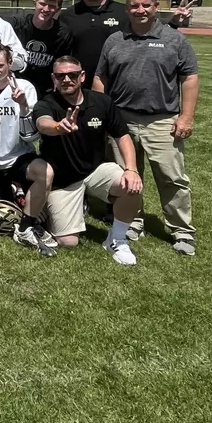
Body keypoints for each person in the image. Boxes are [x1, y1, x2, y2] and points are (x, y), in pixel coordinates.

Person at [93, 0, 199, 255]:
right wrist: (102, 114)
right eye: (134, 5)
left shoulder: (174, 39)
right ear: (127, 8)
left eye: (145, 5)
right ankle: (133, 222)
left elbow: (189, 78)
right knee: (127, 176)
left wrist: (186, 117)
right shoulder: (115, 39)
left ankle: (182, 231)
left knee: (171, 177)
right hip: (122, 119)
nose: (139, 10)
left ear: (155, 7)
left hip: (162, 119)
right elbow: (100, 78)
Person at [33, 56, 145, 266]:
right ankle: (48, 210)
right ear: (53, 79)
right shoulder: (46, 103)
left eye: (72, 75)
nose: (67, 79)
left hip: (95, 170)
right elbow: (42, 123)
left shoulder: (102, 102)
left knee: (132, 185)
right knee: (68, 242)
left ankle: (117, 239)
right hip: (63, 180)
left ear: (82, 76)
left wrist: (131, 169)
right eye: (60, 76)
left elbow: (122, 136)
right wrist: (58, 127)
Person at [0, 43, 56, 256]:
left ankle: (25, 227)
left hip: (16, 156)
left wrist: (22, 106)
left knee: (45, 172)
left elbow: (31, 136)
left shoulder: (25, 87)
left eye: (0, 65)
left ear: (11, 63)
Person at [61, 0, 193, 88]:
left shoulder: (125, 11)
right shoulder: (67, 15)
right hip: (77, 86)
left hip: (119, 86)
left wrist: (173, 22)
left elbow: (149, 31)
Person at [10, 0, 74, 95]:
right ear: (35, 3)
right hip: (16, 86)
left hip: (46, 90)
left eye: (52, 6)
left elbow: (63, 64)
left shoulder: (62, 34)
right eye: (42, 4)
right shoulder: (16, 26)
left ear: (58, 8)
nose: (46, 9)